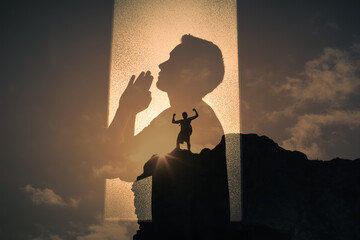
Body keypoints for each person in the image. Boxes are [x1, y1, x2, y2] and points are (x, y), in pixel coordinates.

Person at [106, 35, 225, 181]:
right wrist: (130, 111)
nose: (162, 65)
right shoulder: (183, 113)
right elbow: (127, 167)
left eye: (173, 60)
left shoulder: (186, 116)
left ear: (190, 72)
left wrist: (124, 110)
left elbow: (114, 166)